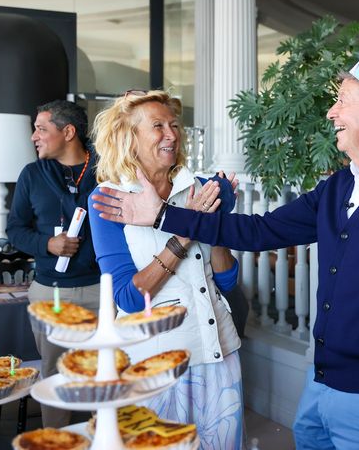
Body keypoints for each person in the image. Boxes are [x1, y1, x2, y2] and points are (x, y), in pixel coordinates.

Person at [92, 28, 359, 449]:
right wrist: (167, 215)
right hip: (321, 384)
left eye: (341, 102)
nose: (330, 112)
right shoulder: (337, 187)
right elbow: (259, 231)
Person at [87, 90, 244, 449]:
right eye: (157, 126)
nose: (171, 134)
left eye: (174, 125)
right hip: (156, 364)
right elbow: (128, 298)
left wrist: (215, 223)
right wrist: (185, 233)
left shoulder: (199, 188)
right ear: (129, 137)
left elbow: (227, 279)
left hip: (219, 349)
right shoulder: (109, 200)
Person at [7, 100, 100, 428]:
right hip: (51, 295)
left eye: (41, 128)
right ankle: (56, 440)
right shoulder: (31, 175)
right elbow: (15, 230)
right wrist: (47, 244)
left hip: (103, 292)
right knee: (56, 375)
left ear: (69, 132)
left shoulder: (106, 171)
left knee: (104, 376)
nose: (34, 136)